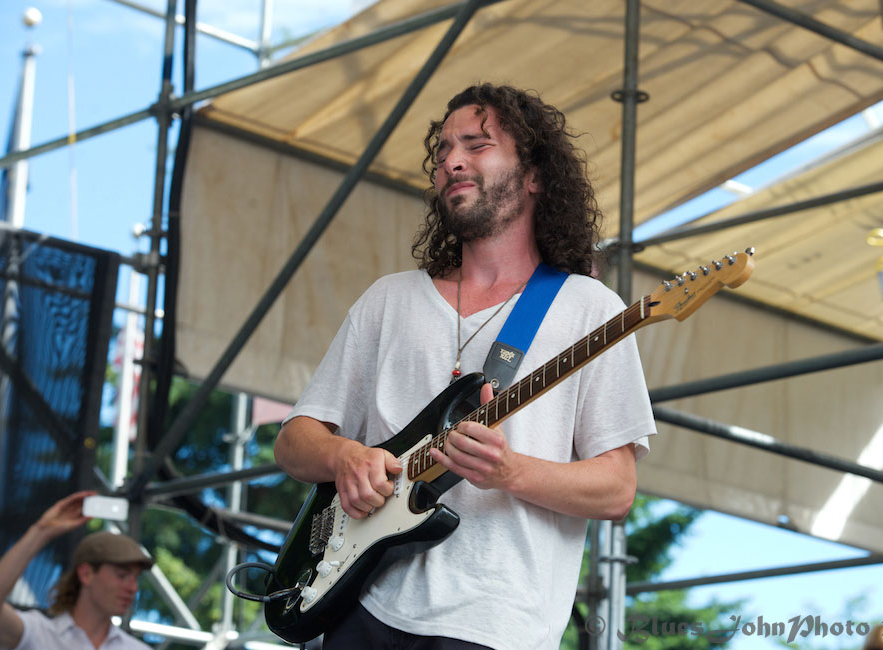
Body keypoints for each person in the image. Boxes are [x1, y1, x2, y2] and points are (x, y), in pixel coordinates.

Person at [275, 83, 656, 650]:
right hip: (363, 607)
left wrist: (510, 472)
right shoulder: (390, 299)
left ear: (534, 176)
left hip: (497, 624)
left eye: (477, 145)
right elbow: (293, 443)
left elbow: (616, 489)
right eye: (443, 151)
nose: (451, 161)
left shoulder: (589, 309)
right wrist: (345, 456)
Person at [0, 491, 153, 650]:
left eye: (136, 578)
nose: (133, 588)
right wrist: (42, 531)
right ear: (86, 574)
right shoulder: (37, 634)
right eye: (122, 575)